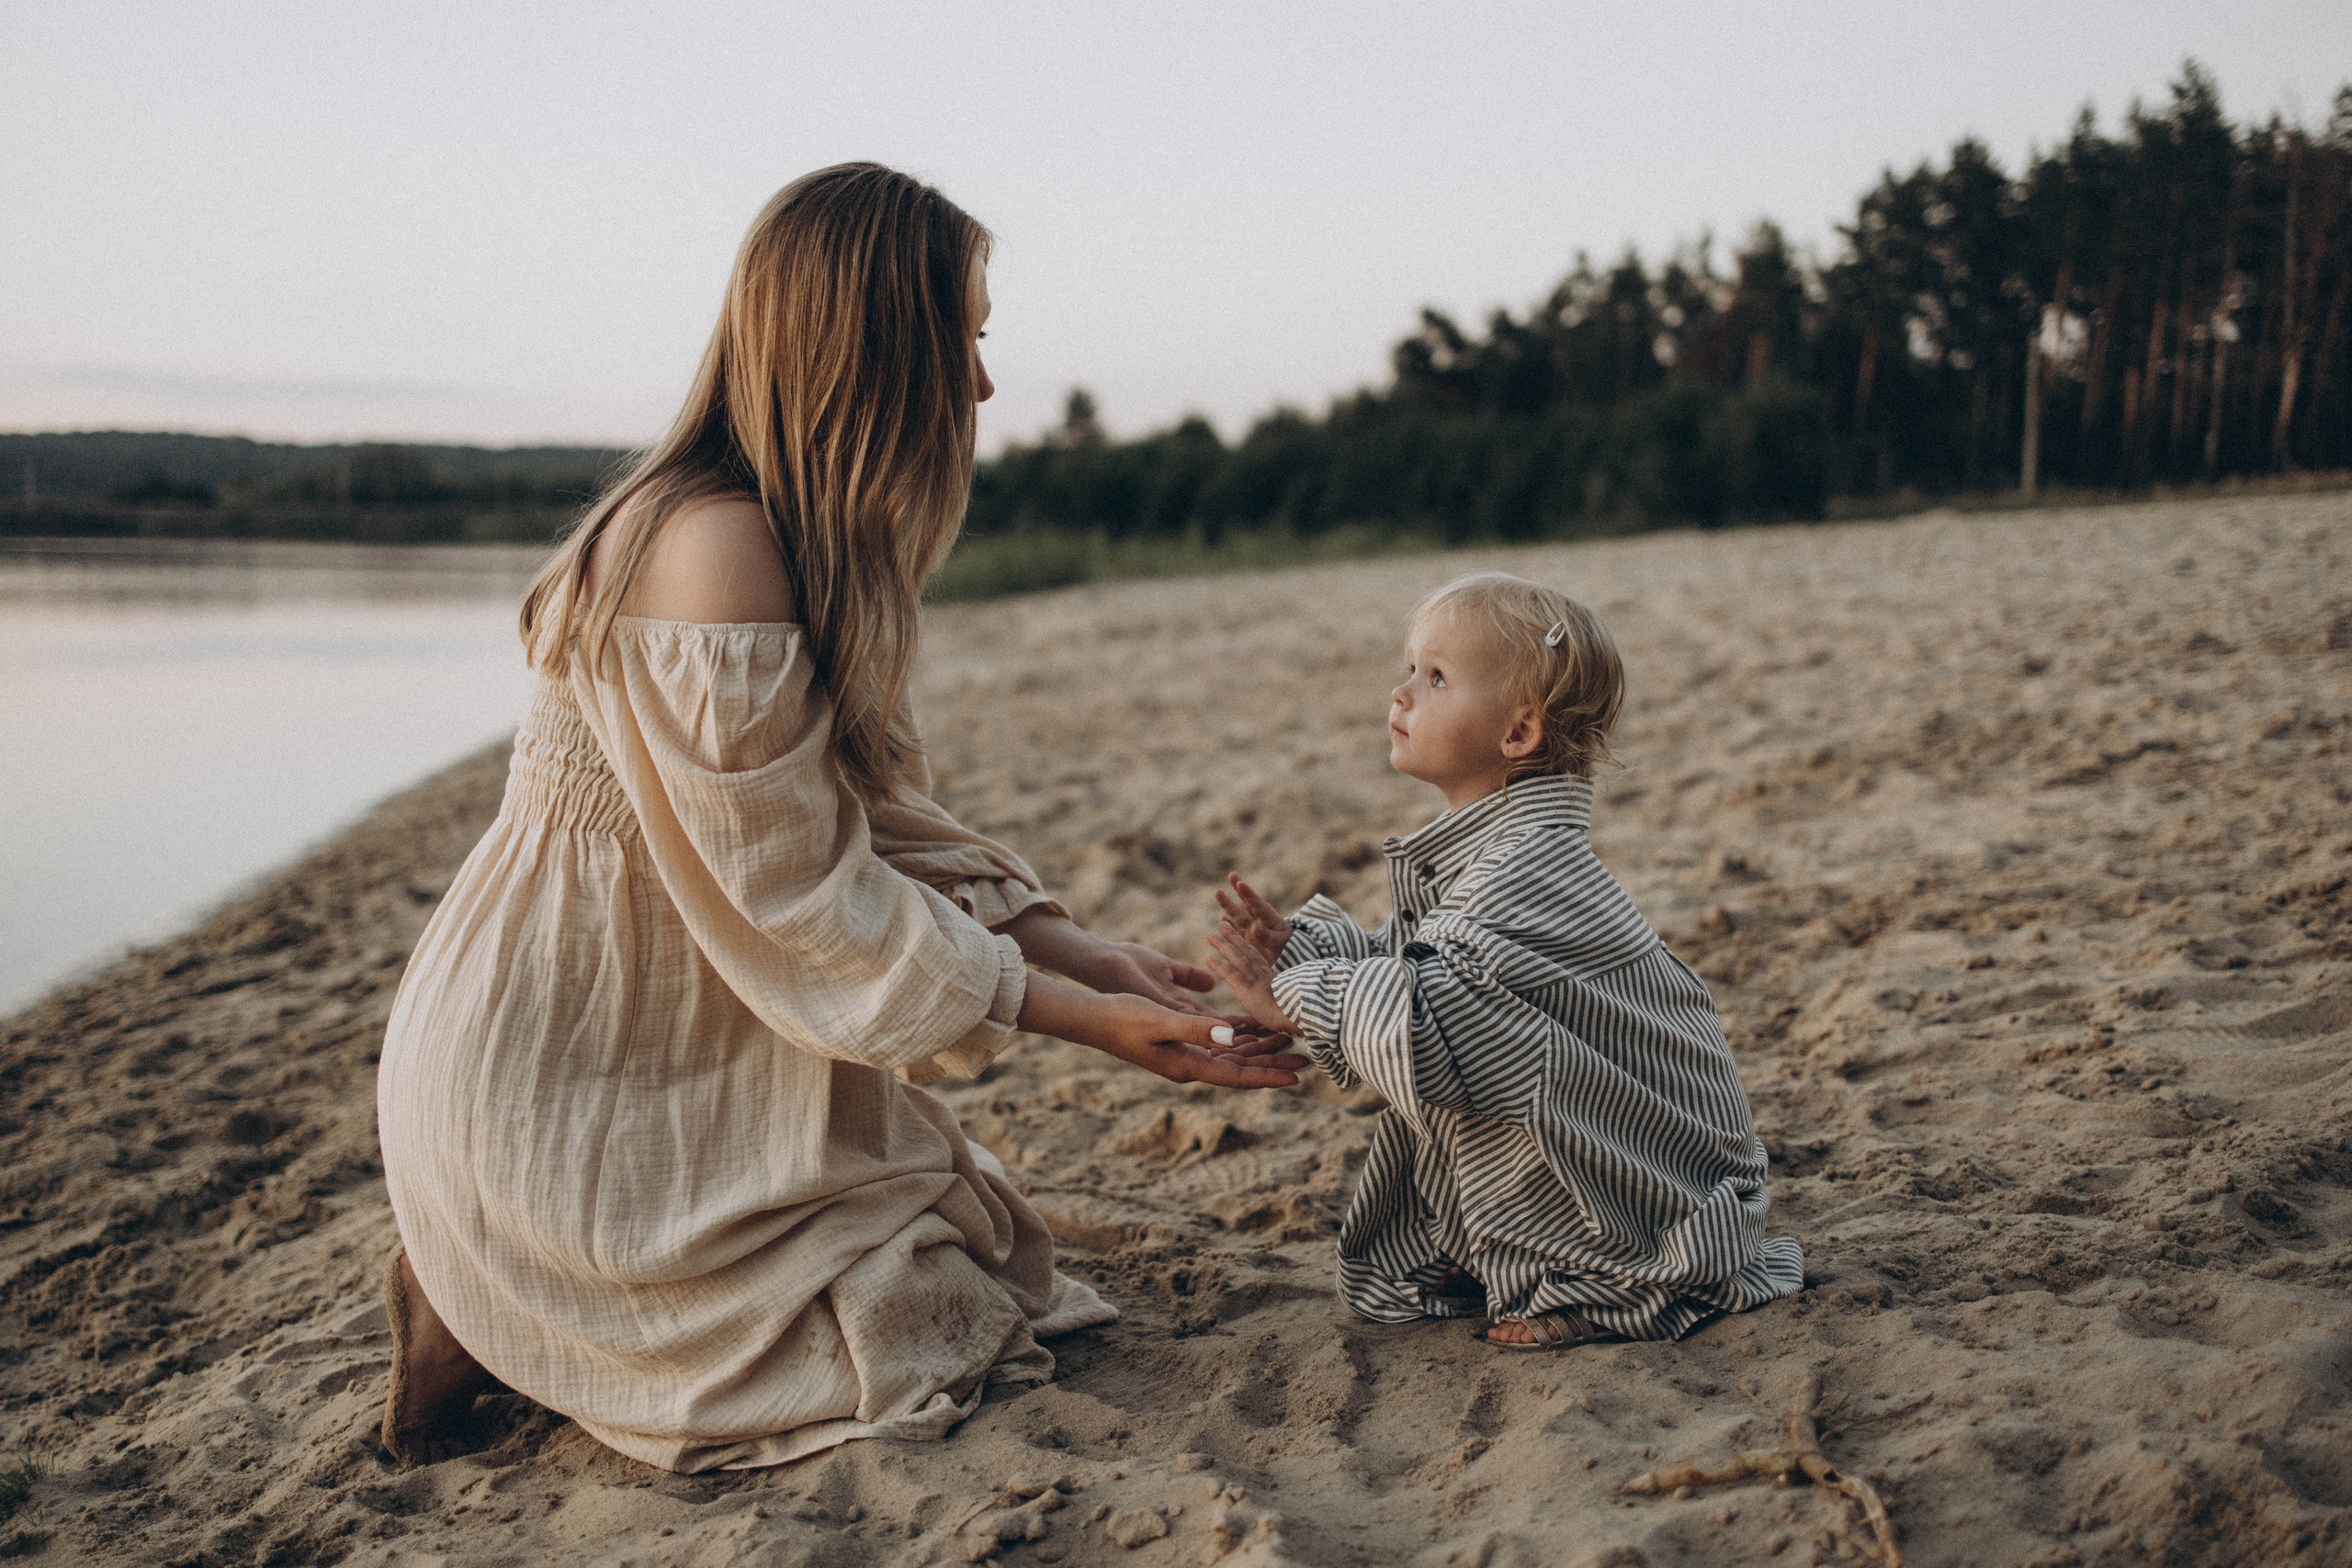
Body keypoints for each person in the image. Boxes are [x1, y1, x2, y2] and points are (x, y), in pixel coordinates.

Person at [376, 164, 1301, 1472]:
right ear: (874, 348)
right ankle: (475, 1284)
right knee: (917, 1328)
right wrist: (1088, 1020)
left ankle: (508, 1290)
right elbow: (801, 896)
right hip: (569, 1048)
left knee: (965, 1275)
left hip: (678, 1023)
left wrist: (1081, 951)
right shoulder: (708, 544)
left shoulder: (791, 536)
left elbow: (872, 818)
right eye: (962, 340)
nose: (981, 386)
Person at [1204, 571, 1802, 1349]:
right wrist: (1308, 951)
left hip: (1648, 1162)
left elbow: (1437, 1018)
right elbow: (1419, 965)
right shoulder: (1496, 849)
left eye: (1436, 677)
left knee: (1471, 1064)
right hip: (1591, 1106)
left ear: (1518, 733)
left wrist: (1292, 996)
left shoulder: (1524, 866)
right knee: (1467, 1064)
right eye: (1410, 668)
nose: (1401, 692)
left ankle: (1604, 1281)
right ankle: (1494, 1246)